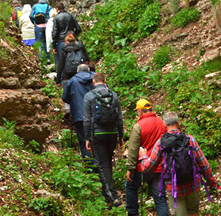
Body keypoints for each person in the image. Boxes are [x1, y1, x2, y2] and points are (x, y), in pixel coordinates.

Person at [140, 112, 219, 216]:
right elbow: (204, 164)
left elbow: (148, 167)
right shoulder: (190, 139)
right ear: (178, 122)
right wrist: (212, 183)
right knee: (193, 213)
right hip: (193, 185)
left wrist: (143, 156)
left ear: (164, 124)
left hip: (174, 189)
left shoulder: (161, 143)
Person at [83, 72, 124, 207]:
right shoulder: (114, 95)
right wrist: (121, 136)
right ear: (105, 81)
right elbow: (119, 117)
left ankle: (112, 197)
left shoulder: (89, 96)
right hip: (112, 133)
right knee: (107, 161)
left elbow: (87, 119)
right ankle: (109, 191)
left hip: (98, 133)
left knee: (102, 164)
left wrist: (87, 137)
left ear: (94, 82)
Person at [125, 99, 169, 216]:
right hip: (159, 167)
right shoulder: (162, 124)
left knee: (130, 187)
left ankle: (132, 213)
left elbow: (133, 149)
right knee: (160, 200)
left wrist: (130, 168)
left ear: (140, 111)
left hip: (143, 168)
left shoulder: (138, 126)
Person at [61, 64, 95, 162]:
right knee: (96, 140)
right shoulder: (95, 79)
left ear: (77, 71)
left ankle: (90, 168)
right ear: (88, 70)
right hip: (95, 114)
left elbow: (64, 98)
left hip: (79, 115)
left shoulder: (72, 81)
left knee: (84, 142)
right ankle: (99, 166)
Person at [52, 2, 81, 71]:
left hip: (61, 41)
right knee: (74, 60)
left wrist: (54, 45)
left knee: (60, 62)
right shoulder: (71, 16)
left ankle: (61, 79)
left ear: (57, 9)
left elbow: (55, 33)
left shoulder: (56, 18)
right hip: (72, 41)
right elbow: (78, 29)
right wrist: (73, 35)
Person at [32, 0, 51, 64]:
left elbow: (31, 16)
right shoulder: (49, 7)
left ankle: (40, 59)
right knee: (46, 42)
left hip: (38, 26)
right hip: (46, 26)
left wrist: (34, 22)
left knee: (39, 42)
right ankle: (48, 58)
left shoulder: (35, 6)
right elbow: (50, 16)